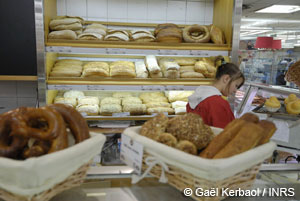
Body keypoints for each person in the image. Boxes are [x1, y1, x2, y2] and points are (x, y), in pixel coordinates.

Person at [186, 61, 245, 128]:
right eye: (236, 86)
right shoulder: (219, 103)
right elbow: (225, 133)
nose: (235, 91)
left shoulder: (195, 97)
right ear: (226, 78)